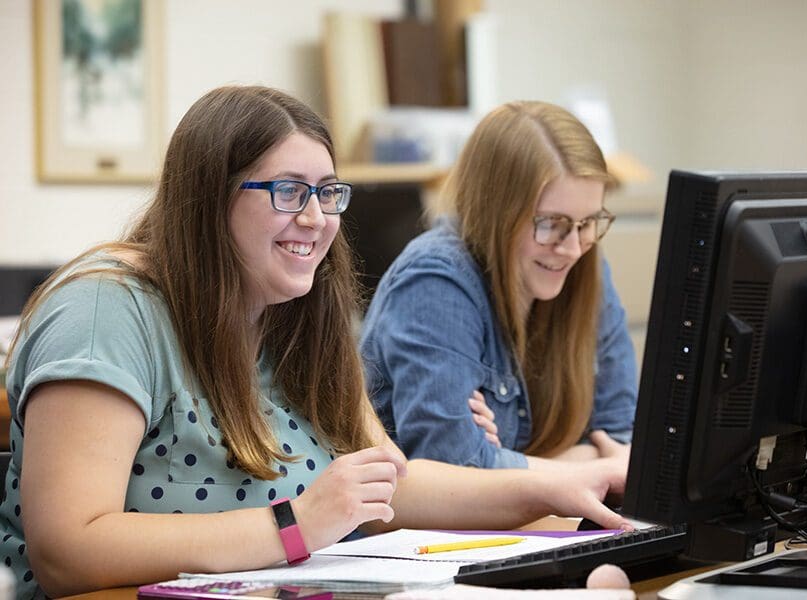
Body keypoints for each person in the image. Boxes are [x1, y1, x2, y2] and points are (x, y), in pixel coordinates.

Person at [0, 86, 631, 600]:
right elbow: (67, 550)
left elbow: (392, 489)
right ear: (207, 202)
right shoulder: (107, 310)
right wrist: (296, 527)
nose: (316, 218)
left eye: (328, 193)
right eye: (288, 191)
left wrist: (554, 487)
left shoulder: (297, 314)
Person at [360, 101, 637, 472]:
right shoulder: (436, 280)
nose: (572, 248)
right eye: (551, 223)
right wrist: (588, 465)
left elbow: (621, 438)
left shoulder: (585, 265)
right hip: (440, 531)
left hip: (546, 524)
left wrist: (502, 463)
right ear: (497, 212)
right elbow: (456, 470)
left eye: (588, 222)